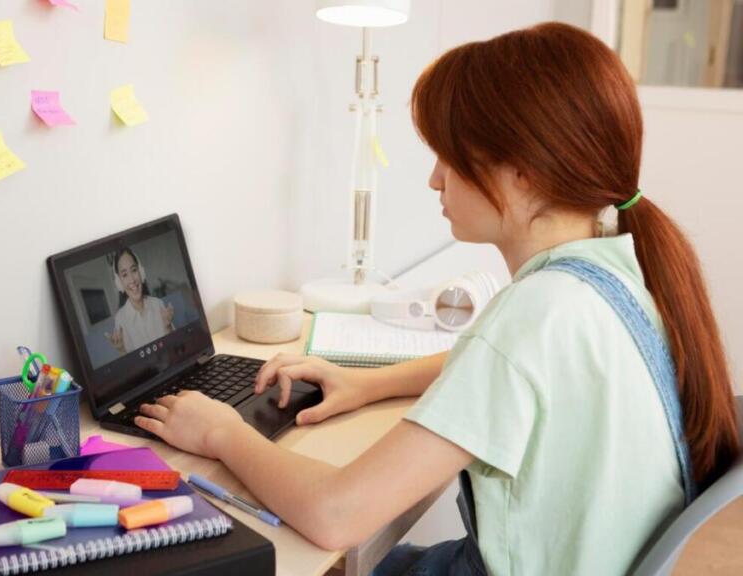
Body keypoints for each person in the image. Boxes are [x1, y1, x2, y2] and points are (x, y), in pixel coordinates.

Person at [132, 22, 740, 575]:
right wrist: (368, 382)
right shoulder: (616, 269)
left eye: (449, 155)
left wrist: (222, 434)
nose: (434, 179)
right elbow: (512, 374)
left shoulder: (533, 314)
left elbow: (336, 513)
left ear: (521, 172)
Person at [105, 247, 175, 354]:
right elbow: (131, 367)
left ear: (141, 272)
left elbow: (174, 348)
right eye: (124, 275)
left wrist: (167, 327)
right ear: (119, 283)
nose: (132, 280)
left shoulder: (158, 304)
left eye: (134, 270)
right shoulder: (120, 319)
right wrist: (121, 350)